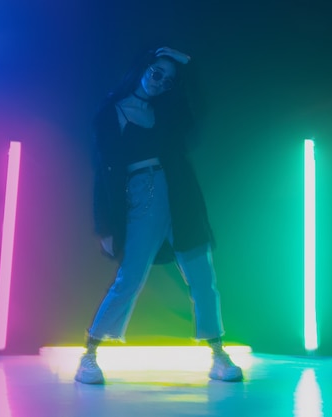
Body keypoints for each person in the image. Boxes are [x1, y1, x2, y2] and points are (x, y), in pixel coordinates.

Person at [75, 46, 243, 384]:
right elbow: (104, 172)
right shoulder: (114, 112)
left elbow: (196, 109)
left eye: (167, 80)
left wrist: (186, 65)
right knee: (129, 280)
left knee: (202, 278)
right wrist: (105, 225)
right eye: (156, 72)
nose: (159, 82)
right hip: (141, 197)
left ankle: (218, 354)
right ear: (143, 67)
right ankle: (89, 355)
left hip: (180, 194)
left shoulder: (169, 111)